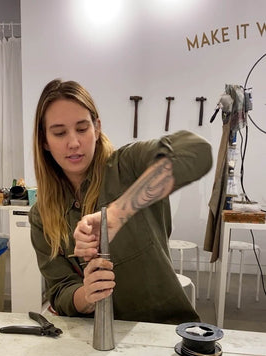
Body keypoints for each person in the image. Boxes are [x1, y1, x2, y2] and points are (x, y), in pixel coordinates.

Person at [29, 79, 213, 324]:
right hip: (93, 338)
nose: (73, 142)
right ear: (44, 141)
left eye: (82, 129)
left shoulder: (129, 166)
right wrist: (86, 295)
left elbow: (196, 151)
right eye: (60, 133)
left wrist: (116, 214)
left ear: (97, 128)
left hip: (163, 329)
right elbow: (59, 289)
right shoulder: (42, 215)